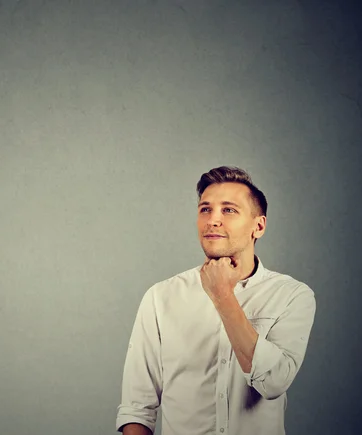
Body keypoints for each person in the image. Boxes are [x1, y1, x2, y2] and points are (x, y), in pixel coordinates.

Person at [115, 166, 316, 435]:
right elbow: (137, 408)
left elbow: (273, 382)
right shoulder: (160, 297)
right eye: (205, 209)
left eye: (229, 210)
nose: (213, 220)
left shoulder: (292, 295)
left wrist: (222, 295)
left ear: (258, 226)